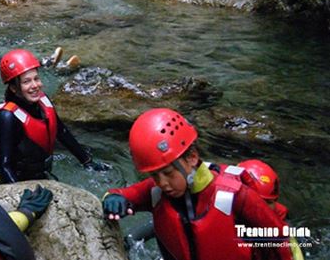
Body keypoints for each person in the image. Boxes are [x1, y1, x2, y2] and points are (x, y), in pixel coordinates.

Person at [102, 108, 292, 260]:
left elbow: (282, 240)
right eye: (154, 175)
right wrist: (114, 198)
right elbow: (122, 193)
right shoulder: (155, 191)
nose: (162, 183)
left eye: (168, 173)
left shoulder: (236, 196)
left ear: (192, 157)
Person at [0, 49, 109, 184]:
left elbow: (61, 131)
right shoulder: (6, 117)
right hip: (18, 181)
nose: (35, 86)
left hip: (43, 174)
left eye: (36, 78)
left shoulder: (43, 101)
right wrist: (23, 195)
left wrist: (87, 161)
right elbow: (4, 166)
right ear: (13, 88)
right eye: (26, 82)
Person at [238, 159, 305, 260]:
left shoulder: (280, 220)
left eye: (270, 202)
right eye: (262, 201)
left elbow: (293, 251)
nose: (266, 208)